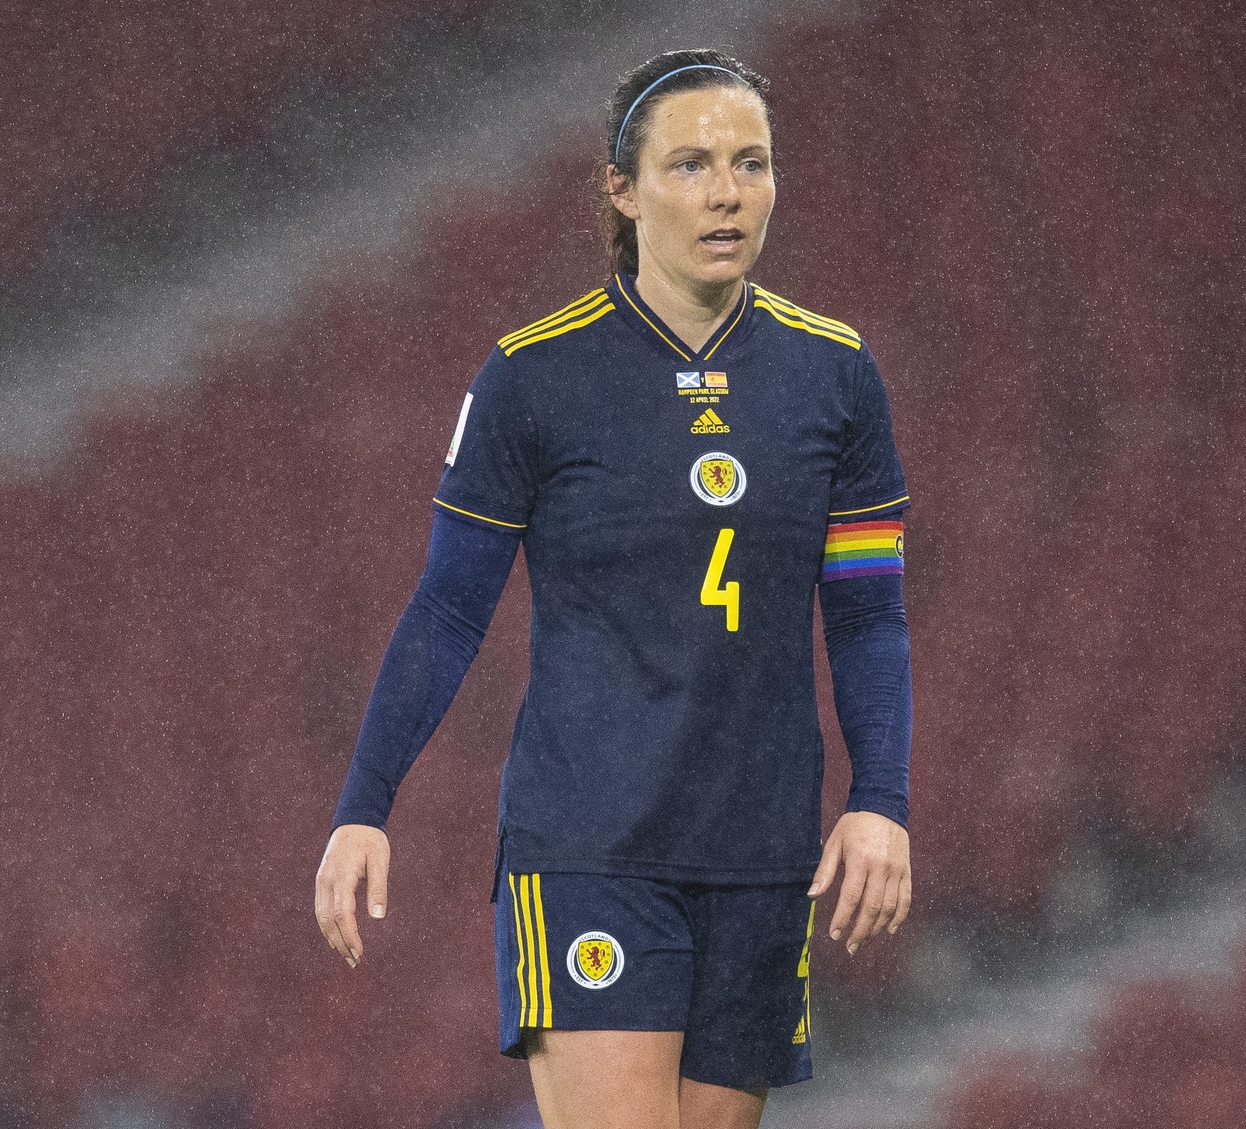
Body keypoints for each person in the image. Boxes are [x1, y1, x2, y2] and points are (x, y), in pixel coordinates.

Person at [314, 48, 914, 1129]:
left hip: (761, 849)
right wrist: (366, 805)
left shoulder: (835, 375)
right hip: (590, 847)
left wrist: (881, 802)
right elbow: (450, 608)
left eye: (751, 162)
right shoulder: (533, 376)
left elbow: (868, 612)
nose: (727, 191)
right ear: (623, 191)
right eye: (690, 164)